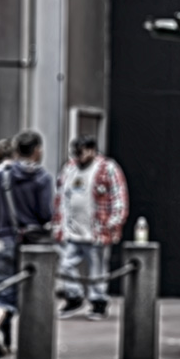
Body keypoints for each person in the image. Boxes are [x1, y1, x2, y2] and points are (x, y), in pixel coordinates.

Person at [0, 130, 55, 359]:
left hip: (6, 240)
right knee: (33, 294)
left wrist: (0, 234)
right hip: (33, 246)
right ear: (36, 150)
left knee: (2, 292)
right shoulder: (43, 179)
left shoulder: (1, 177)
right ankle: (30, 348)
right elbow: (46, 214)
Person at [52, 135, 129, 320]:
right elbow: (61, 196)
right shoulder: (70, 168)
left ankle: (98, 302)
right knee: (65, 265)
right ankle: (74, 296)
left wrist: (113, 223)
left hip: (96, 231)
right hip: (73, 230)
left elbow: (119, 197)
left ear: (92, 150)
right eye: (75, 153)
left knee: (97, 268)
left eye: (82, 152)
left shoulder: (107, 168)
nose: (78, 157)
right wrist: (58, 224)